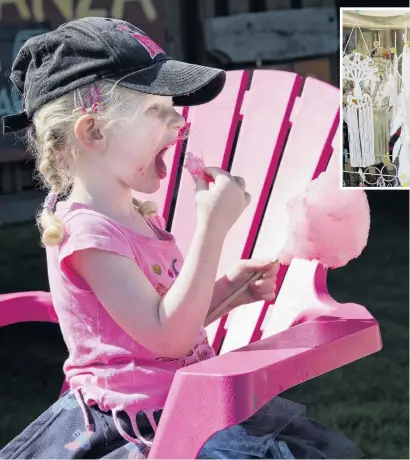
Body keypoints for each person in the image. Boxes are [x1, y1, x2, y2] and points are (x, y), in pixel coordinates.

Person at [0, 17, 362, 459]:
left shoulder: (133, 213)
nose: (180, 123)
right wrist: (212, 230)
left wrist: (230, 290)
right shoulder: (88, 233)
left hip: (186, 405)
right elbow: (166, 337)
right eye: (156, 110)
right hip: (137, 428)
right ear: (93, 132)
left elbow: (157, 320)